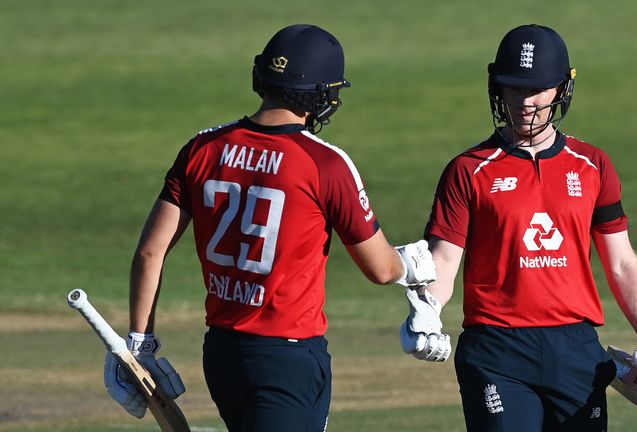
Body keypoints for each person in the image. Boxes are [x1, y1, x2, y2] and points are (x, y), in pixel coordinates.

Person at [102, 24, 438, 432]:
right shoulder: (324, 163)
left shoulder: (202, 148)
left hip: (223, 354)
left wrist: (139, 344)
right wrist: (411, 266)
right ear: (320, 95)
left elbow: (149, 252)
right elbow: (381, 269)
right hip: (288, 359)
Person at [399, 24, 637, 431]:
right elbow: (444, 260)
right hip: (497, 349)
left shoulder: (593, 166)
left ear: (562, 89)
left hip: (576, 350)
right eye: (514, 89)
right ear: (497, 88)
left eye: (538, 90)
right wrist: (428, 310)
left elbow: (621, 263)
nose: (525, 102)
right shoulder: (468, 170)